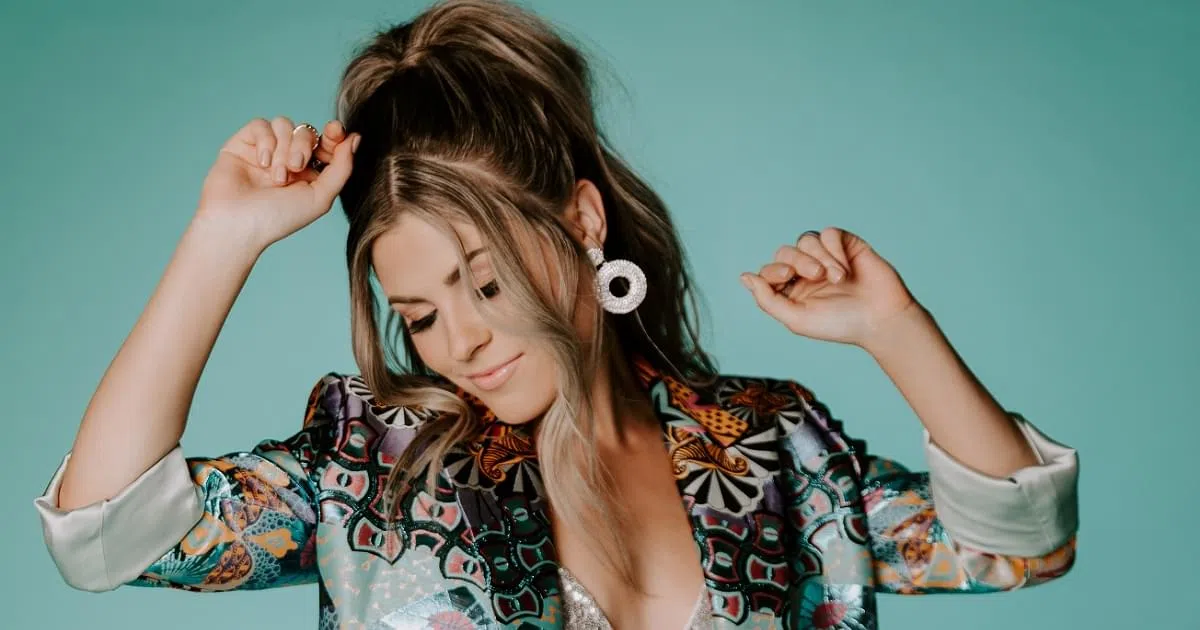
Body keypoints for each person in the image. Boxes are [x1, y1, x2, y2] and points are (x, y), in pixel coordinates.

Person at [33, 1, 1079, 628]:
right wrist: (222, 238)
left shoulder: (770, 448)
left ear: (582, 219)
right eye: (420, 315)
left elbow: (1020, 547)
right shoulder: (374, 466)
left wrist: (896, 327)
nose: (462, 341)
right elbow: (106, 535)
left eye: (486, 286)